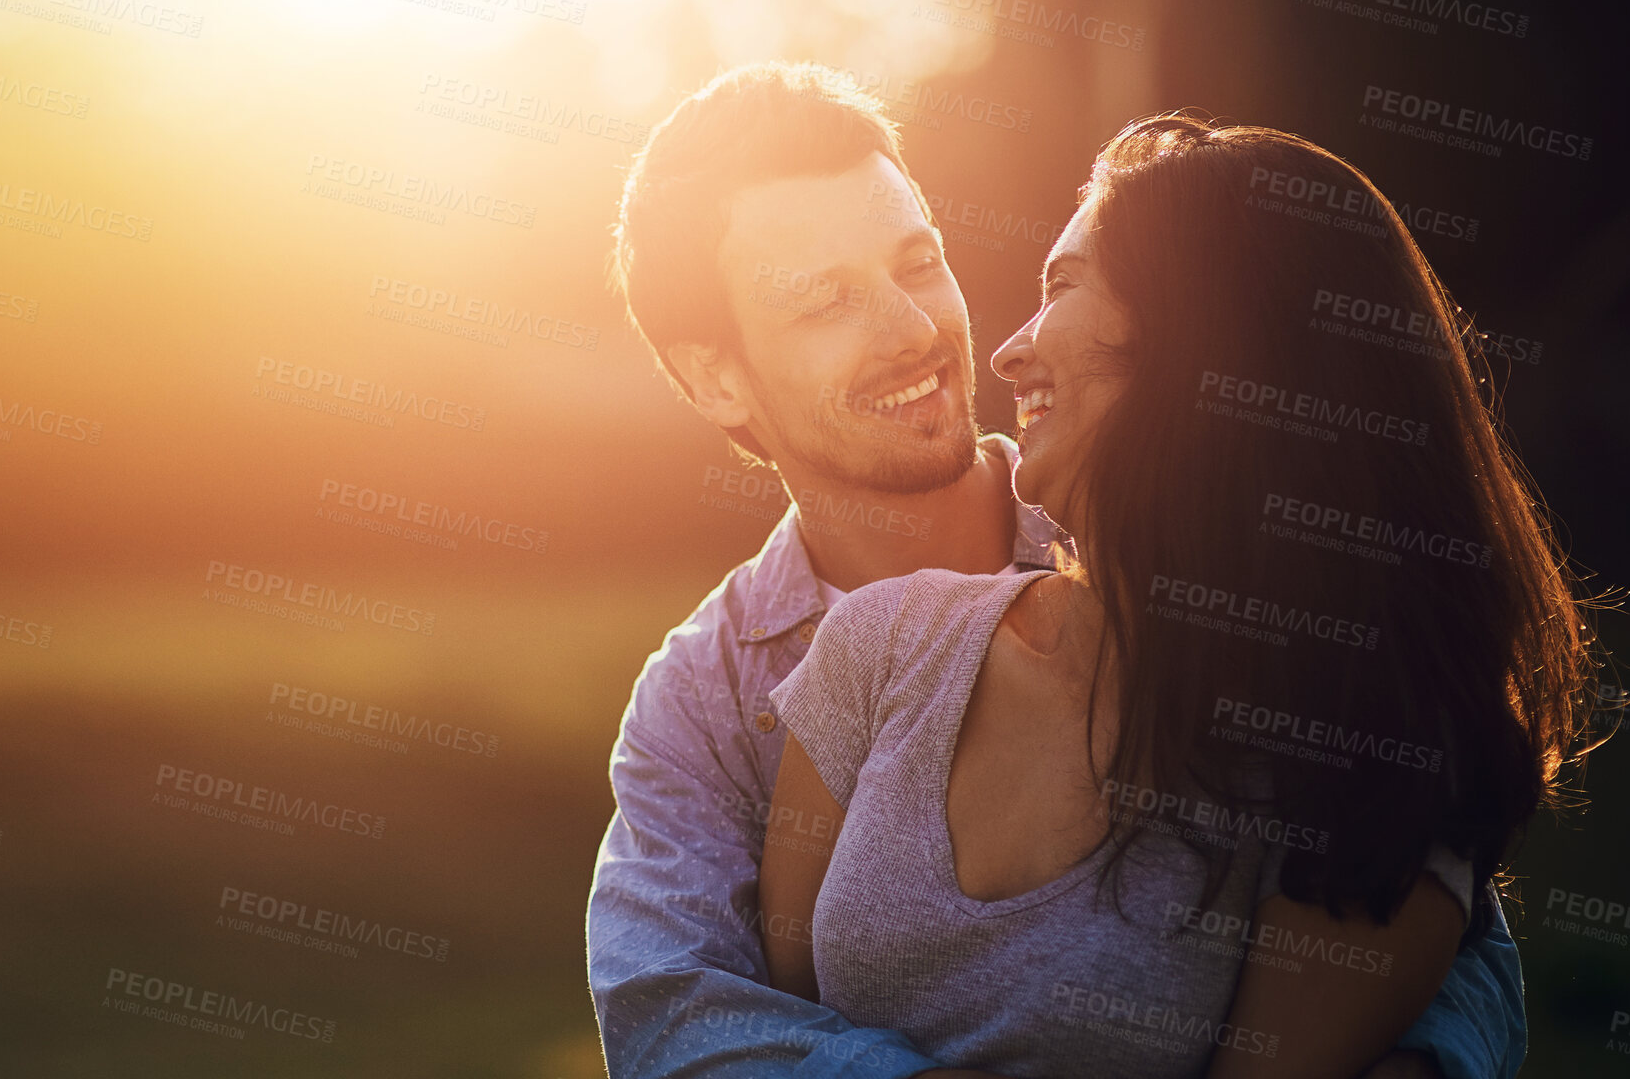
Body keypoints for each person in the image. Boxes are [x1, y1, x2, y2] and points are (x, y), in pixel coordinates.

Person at [587, 63, 1530, 1078]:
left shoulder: (1187, 542)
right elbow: (673, 1011)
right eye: (826, 303)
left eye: (917, 263)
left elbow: (1439, 911)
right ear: (714, 376)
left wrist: (1423, 1059)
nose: (916, 329)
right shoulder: (703, 698)